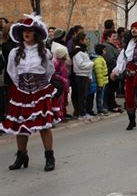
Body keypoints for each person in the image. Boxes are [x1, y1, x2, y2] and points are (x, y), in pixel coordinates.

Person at [0, 15, 60, 171]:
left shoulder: (44, 52)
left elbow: (49, 71)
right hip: (21, 91)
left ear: (36, 33)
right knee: (19, 124)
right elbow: (12, 72)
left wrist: (38, 84)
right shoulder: (15, 52)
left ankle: (49, 156)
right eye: (24, 31)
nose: (26, 33)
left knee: (44, 125)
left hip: (40, 91)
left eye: (30, 31)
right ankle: (21, 155)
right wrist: (22, 86)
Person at [70, 32, 94, 121]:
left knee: (84, 95)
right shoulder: (78, 52)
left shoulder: (82, 50)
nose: (87, 41)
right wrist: (92, 63)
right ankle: (82, 113)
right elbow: (80, 64)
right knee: (82, 96)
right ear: (81, 40)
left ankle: (82, 112)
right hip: (81, 75)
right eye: (86, 39)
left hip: (85, 75)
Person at [93, 44, 109, 115]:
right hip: (101, 82)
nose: (105, 52)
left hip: (103, 81)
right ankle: (100, 108)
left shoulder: (101, 59)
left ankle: (101, 108)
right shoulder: (99, 60)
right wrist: (100, 84)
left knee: (101, 96)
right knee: (100, 97)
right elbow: (98, 73)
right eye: (104, 50)